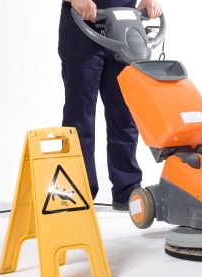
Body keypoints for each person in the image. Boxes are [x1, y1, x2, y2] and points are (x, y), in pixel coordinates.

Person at [58, 0, 163, 210]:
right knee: (79, 118)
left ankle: (128, 191)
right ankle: (79, 191)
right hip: (82, 24)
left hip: (125, 26)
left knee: (124, 114)